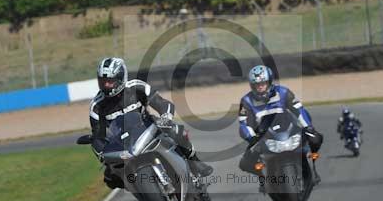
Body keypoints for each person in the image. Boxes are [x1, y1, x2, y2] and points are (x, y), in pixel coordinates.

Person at [89, 57, 213, 190]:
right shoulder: (96, 106)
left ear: (120, 77)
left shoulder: (137, 86)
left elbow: (163, 104)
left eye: (110, 81)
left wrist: (165, 117)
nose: (106, 85)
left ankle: (195, 163)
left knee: (177, 130)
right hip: (123, 144)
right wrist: (102, 154)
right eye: (103, 81)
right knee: (110, 178)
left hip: (149, 128)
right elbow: (98, 136)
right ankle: (143, 194)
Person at [237, 65, 323, 187]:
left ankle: (312, 168)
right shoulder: (246, 101)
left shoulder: (283, 92)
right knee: (245, 163)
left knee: (316, 138)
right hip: (262, 136)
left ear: (269, 81)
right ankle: (263, 178)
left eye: (263, 83)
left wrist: (308, 126)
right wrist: (252, 138)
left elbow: (298, 110)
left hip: (289, 129)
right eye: (257, 84)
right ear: (252, 85)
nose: (260, 86)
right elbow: (244, 123)